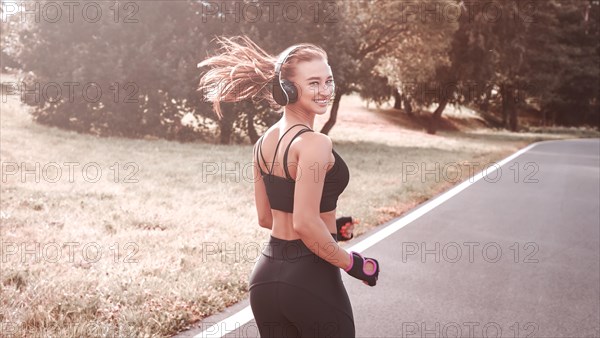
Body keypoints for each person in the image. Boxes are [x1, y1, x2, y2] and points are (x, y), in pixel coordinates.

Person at [197, 35, 381, 337]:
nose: (325, 91)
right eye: (314, 83)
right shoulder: (316, 143)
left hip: (265, 280)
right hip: (310, 280)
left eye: (328, 81)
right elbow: (305, 223)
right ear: (288, 89)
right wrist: (355, 264)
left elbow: (268, 218)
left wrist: (334, 225)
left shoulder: (262, 143)